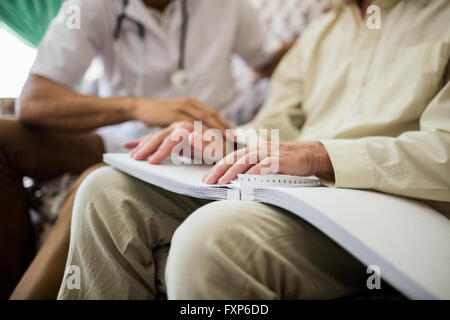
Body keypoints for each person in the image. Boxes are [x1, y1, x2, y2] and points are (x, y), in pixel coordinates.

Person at [58, 0, 450, 299]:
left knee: (211, 240)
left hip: (387, 212)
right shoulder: (321, 32)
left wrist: (321, 155)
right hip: (301, 196)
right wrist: (223, 142)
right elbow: (276, 125)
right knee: (106, 191)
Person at [5, 0, 293, 299]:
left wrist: (327, 28)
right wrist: (137, 106)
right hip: (118, 139)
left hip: (196, 148)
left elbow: (268, 58)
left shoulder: (228, 6)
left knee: (99, 183)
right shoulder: (88, 6)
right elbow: (35, 100)